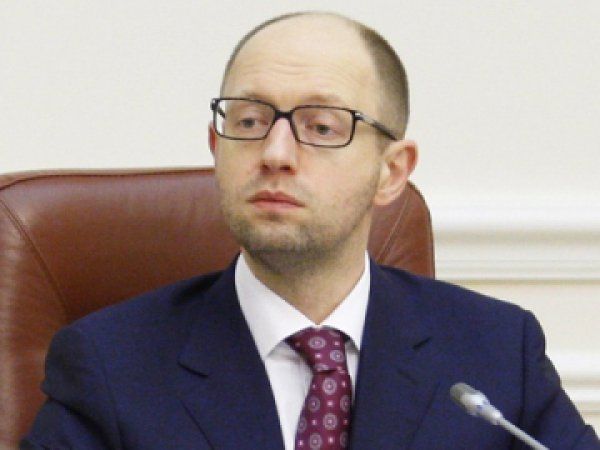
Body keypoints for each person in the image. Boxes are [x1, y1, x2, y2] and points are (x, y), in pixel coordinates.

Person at [22, 11, 598, 450]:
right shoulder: (109, 364)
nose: (275, 153)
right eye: (250, 121)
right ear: (217, 147)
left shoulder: (496, 351)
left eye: (321, 127)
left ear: (391, 172)